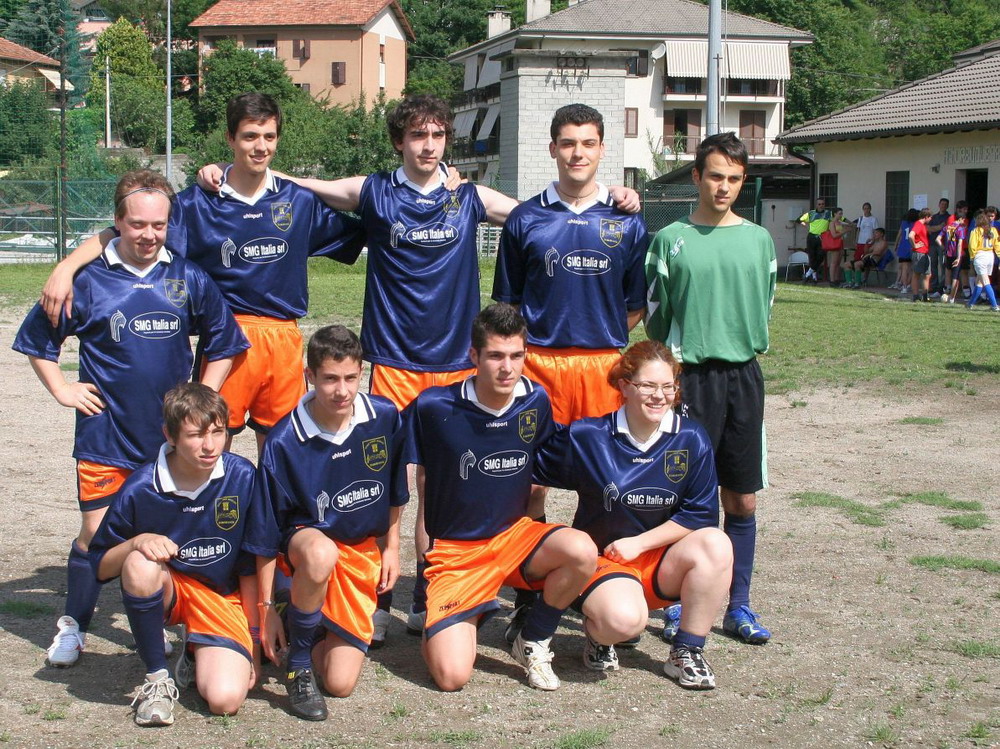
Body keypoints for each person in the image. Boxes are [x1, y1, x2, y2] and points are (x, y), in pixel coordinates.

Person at [197, 95, 637, 646]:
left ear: (447, 140)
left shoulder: (468, 194)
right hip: (393, 360)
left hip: (453, 362)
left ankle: (430, 591)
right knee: (385, 480)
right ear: (399, 141)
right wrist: (226, 171)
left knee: (440, 482)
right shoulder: (376, 192)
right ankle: (377, 598)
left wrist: (615, 197)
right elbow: (308, 185)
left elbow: (540, 216)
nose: (428, 146)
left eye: (437, 136)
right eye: (417, 136)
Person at [12, 170, 249, 669]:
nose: (148, 234)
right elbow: (38, 342)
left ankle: (154, 617)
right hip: (105, 435)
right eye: (138, 224)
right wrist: (61, 388)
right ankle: (74, 626)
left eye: (158, 225)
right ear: (117, 223)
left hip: (168, 443)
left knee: (160, 540)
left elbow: (226, 342)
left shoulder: (188, 277)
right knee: (95, 537)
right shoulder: (87, 280)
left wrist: (206, 393)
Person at [40, 93, 365, 455]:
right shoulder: (197, 202)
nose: (260, 146)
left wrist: (304, 181)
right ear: (230, 138)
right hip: (227, 339)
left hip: (284, 337)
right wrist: (67, 266)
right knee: (209, 446)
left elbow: (370, 214)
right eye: (250, 136)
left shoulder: (298, 200)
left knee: (283, 452)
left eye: (269, 137)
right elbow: (124, 231)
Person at [491, 103, 648, 641]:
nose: (577, 153)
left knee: (607, 485)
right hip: (539, 364)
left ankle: (595, 591)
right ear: (552, 148)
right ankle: (526, 596)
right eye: (568, 143)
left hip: (603, 365)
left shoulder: (627, 219)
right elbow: (507, 305)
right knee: (528, 482)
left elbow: (634, 306)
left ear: (602, 148)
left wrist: (594, 334)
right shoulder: (525, 218)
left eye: (587, 143)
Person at [401, 303, 598, 692]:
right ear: (474, 356)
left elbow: (552, 461)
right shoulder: (434, 406)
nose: (507, 367)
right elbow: (400, 472)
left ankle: (533, 638)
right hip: (458, 553)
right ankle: (453, 612)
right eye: (495, 356)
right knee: (451, 677)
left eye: (516, 356)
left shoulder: (535, 399)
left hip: (513, 538)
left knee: (581, 551)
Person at [533, 341, 732, 689]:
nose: (660, 396)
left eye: (668, 386)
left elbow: (700, 514)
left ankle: (686, 650)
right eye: (648, 386)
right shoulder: (589, 436)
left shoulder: (691, 438)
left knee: (716, 544)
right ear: (624, 386)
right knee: (624, 624)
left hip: (658, 563)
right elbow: (528, 464)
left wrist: (640, 544)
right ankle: (598, 633)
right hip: (605, 563)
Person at [645, 132, 776, 645]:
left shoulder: (760, 240)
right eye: (716, 176)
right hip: (689, 379)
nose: (724, 187)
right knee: (684, 497)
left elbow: (765, 305)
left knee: (741, 498)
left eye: (734, 179)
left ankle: (738, 606)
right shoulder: (669, 239)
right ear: (697, 177)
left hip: (742, 377)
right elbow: (657, 317)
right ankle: (676, 601)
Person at [88, 384, 268, 726]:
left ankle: (194, 650)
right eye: (196, 435)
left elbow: (249, 565)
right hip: (172, 590)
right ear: (170, 435)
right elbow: (100, 567)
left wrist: (254, 647)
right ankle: (157, 679)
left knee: (225, 700)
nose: (210, 445)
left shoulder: (242, 476)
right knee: (140, 562)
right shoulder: (141, 487)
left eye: (218, 432)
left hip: (221, 598)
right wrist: (137, 541)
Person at [253, 325, 408, 720]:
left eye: (350, 378)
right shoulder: (284, 439)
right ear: (310, 376)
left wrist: (391, 548)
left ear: (362, 373)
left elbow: (395, 492)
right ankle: (298, 665)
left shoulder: (385, 417)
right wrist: (265, 608)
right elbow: (266, 533)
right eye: (330, 379)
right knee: (321, 552)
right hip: (306, 552)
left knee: (340, 683)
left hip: (359, 557)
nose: (342, 391)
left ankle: (304, 617)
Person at [965, 208, 1000, 311]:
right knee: (979, 281)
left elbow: (972, 246)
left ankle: (994, 305)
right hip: (990, 256)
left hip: (980, 256)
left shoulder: (976, 231)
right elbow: (997, 245)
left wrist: (972, 258)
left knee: (985, 281)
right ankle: (970, 304)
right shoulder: (993, 230)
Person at [939, 202, 968, 303]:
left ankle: (949, 290)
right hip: (956, 253)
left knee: (952, 271)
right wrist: (959, 256)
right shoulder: (959, 228)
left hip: (951, 252)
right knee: (955, 275)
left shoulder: (948, 227)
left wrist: (944, 248)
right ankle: (951, 296)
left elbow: (938, 239)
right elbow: (958, 243)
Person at [798, 197, 831, 283]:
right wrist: (807, 227)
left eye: (822, 204)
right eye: (819, 204)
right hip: (812, 237)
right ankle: (814, 277)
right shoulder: (811, 213)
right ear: (816, 205)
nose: (821, 206)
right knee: (812, 257)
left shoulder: (828, 213)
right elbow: (799, 220)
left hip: (823, 238)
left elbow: (840, 218)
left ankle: (808, 273)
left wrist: (850, 223)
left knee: (821, 256)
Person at [907, 207, 933, 302]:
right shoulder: (918, 224)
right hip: (919, 253)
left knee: (927, 274)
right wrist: (915, 245)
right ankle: (915, 295)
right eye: (930, 217)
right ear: (926, 217)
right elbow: (911, 235)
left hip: (925, 252)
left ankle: (925, 296)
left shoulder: (923, 225)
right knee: (916, 275)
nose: (931, 219)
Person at [926, 197, 951, 296]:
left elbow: (944, 228)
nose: (943, 206)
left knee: (943, 265)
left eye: (945, 204)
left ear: (947, 206)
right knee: (933, 265)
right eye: (942, 204)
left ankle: (941, 287)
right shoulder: (934, 217)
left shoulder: (948, 217)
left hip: (942, 244)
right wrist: (939, 227)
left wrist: (935, 228)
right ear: (939, 205)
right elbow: (928, 229)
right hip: (932, 243)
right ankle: (933, 286)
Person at [890, 208, 917, 294]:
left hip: (903, 247)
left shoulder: (904, 223)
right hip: (911, 247)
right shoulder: (916, 224)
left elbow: (899, 234)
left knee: (904, 268)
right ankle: (909, 284)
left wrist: (896, 244)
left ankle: (904, 287)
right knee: (912, 268)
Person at [824, 207, 852, 286]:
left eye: (841, 214)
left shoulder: (840, 222)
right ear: (835, 214)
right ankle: (832, 280)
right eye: (839, 214)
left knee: (838, 262)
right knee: (834, 262)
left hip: (841, 243)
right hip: (835, 243)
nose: (841, 215)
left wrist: (849, 226)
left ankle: (836, 279)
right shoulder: (832, 223)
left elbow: (849, 224)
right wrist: (844, 231)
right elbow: (834, 235)